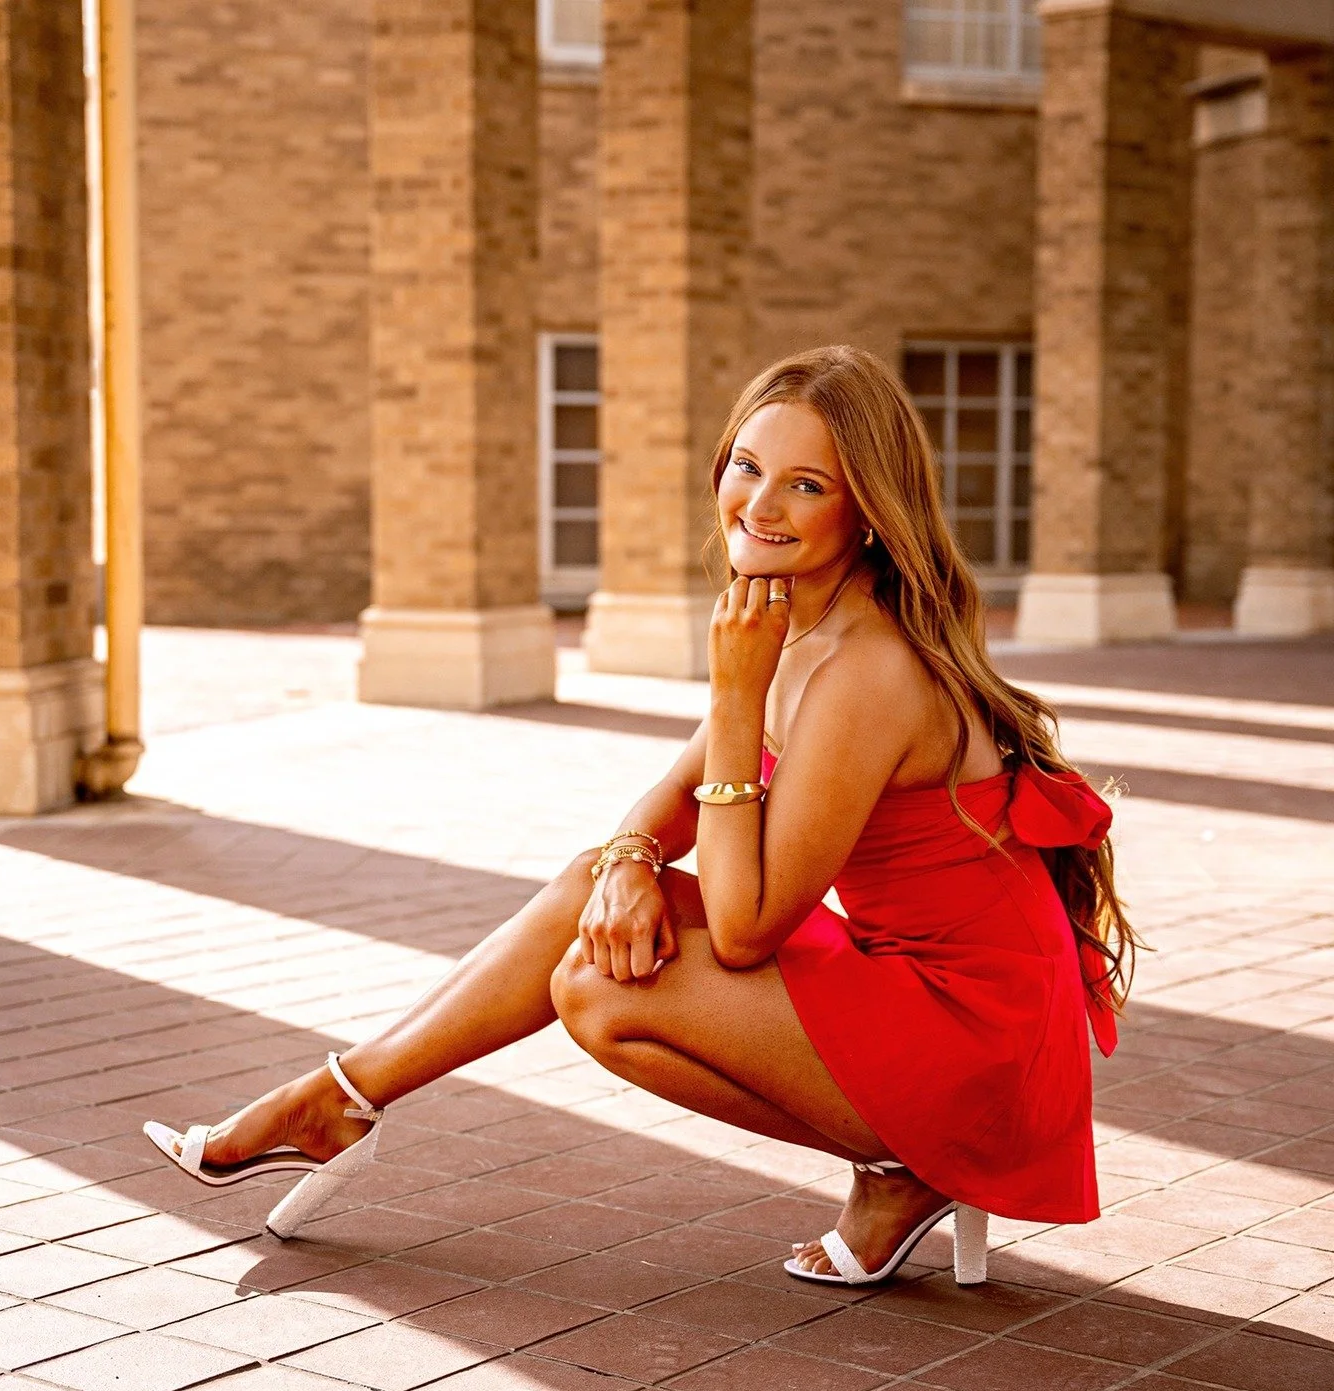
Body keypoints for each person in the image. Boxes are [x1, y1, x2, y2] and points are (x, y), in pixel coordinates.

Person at [145, 345, 1135, 1286]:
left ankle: (906, 1162)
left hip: (978, 1048)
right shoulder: (800, 616)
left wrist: (738, 695)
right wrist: (625, 861)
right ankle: (339, 1099)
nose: (761, 502)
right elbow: (666, 807)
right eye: (747, 466)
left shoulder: (864, 667)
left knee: (602, 991)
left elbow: (746, 932)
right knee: (595, 888)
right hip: (907, 988)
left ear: (867, 512)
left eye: (808, 483)